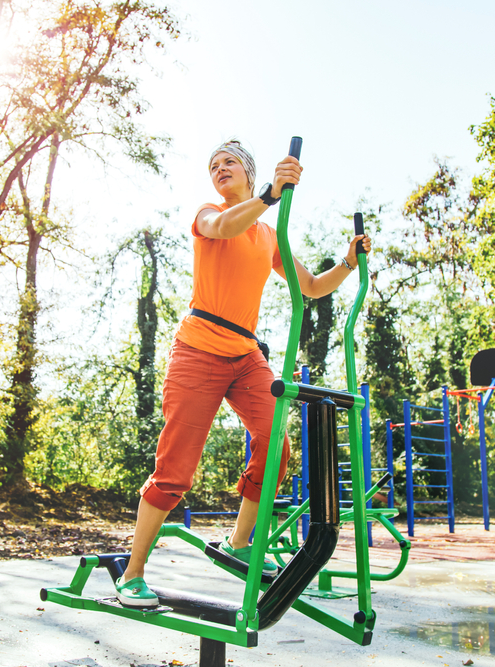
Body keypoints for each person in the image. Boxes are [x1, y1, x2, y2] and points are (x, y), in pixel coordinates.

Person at [115, 139, 372, 607]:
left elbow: (311, 287)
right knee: (174, 472)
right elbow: (227, 224)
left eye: (229, 161)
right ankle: (132, 574)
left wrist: (349, 263)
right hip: (197, 349)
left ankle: (240, 542)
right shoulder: (209, 214)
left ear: (248, 172)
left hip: (245, 355)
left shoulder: (269, 236)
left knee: (276, 441)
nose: (219, 169)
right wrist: (271, 194)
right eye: (213, 165)